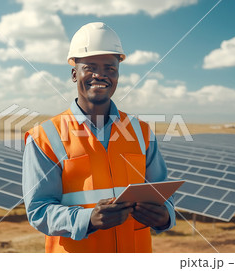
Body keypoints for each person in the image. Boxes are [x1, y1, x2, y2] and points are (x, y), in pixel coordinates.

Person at [22, 22, 176, 253]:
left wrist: (165, 215)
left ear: (117, 75)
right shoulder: (45, 136)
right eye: (90, 67)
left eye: (110, 69)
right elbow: (38, 210)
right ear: (75, 74)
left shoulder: (141, 132)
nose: (100, 75)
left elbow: (161, 195)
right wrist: (88, 219)